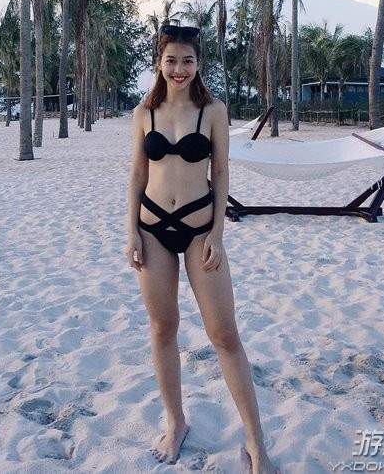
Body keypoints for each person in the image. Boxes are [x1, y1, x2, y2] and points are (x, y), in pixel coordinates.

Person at [125, 25, 280, 473]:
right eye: (171, 60)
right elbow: (137, 174)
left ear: (198, 64)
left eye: (187, 60)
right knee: (163, 328)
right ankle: (175, 422)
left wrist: (217, 233)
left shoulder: (213, 111)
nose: (179, 69)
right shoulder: (144, 112)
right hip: (152, 228)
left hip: (199, 230)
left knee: (224, 334)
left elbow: (222, 172)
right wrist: (130, 231)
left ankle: (255, 440)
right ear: (160, 63)